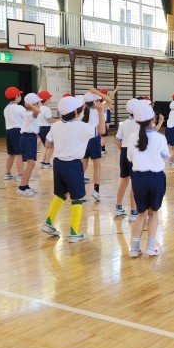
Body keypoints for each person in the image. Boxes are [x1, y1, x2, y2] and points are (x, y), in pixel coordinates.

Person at [41, 96, 106, 242]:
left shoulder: (56, 125)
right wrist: (100, 111)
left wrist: (63, 143)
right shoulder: (81, 127)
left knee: (62, 194)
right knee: (77, 198)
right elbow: (101, 130)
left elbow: (47, 144)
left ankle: (48, 222)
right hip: (73, 164)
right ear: (76, 112)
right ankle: (74, 233)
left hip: (58, 164)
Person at [127, 102, 170, 258]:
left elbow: (130, 158)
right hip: (156, 178)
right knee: (153, 213)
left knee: (141, 214)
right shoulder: (159, 138)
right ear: (153, 118)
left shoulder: (132, 137)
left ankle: (134, 248)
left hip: (138, 178)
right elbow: (166, 158)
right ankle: (151, 247)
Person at [81, 89, 113, 201]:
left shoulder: (83, 110)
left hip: (84, 138)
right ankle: (96, 190)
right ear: (95, 101)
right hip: (94, 138)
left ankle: (78, 190)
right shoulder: (99, 109)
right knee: (97, 165)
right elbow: (110, 101)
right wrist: (98, 92)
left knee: (83, 164)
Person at [114, 98, 142, 221]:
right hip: (135, 154)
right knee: (135, 183)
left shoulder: (124, 123)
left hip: (124, 152)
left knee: (124, 181)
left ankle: (118, 207)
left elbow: (117, 140)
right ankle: (134, 212)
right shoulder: (141, 123)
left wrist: (123, 152)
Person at [17, 93, 42, 197]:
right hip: (27, 138)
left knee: (31, 164)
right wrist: (31, 105)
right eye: (38, 102)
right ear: (34, 104)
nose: (40, 104)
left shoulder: (30, 113)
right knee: (30, 164)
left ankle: (25, 185)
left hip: (30, 138)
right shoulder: (29, 113)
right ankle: (22, 187)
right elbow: (37, 111)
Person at [3, 86, 25, 181]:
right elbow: (26, 118)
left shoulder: (6, 108)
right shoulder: (19, 108)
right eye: (19, 95)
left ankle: (7, 174)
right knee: (19, 154)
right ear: (17, 96)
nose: (20, 96)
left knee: (11, 154)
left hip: (9, 132)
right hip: (17, 131)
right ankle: (20, 175)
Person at [37, 90, 57, 169]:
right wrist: (60, 120)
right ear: (47, 98)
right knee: (51, 146)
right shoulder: (46, 109)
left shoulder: (39, 108)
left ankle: (43, 161)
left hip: (40, 128)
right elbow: (49, 120)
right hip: (46, 128)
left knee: (46, 146)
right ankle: (47, 162)